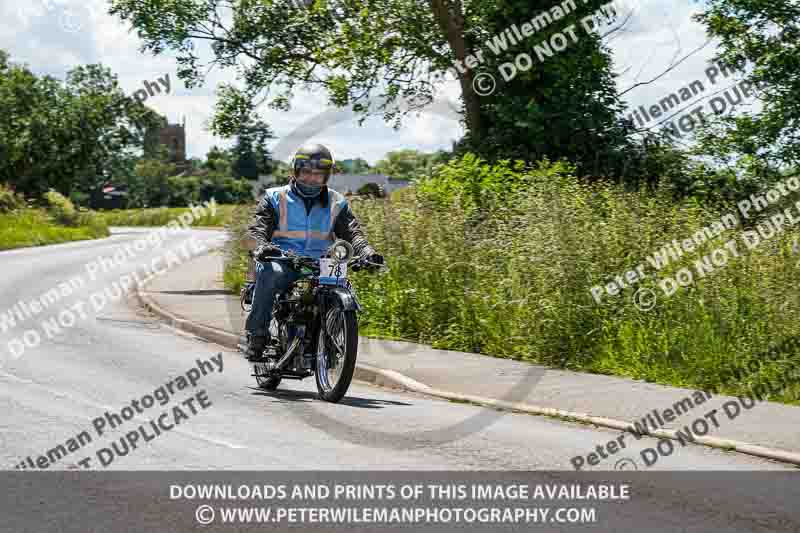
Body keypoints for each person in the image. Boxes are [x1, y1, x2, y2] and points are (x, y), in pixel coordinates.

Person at [242, 143, 384, 360]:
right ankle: (257, 337)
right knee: (270, 273)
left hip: (322, 264)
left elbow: (352, 232)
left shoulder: (337, 202)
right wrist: (261, 246)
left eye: (318, 174)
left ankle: (328, 338)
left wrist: (367, 252)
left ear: (326, 176)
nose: (312, 179)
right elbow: (257, 229)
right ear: (296, 171)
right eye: (307, 172)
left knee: (343, 287)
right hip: (283, 260)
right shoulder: (274, 197)